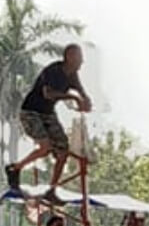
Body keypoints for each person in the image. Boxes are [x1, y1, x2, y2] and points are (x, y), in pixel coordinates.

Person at [6, 44, 92, 206]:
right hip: (30, 111)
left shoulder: (73, 74)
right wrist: (73, 98)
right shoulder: (54, 71)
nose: (81, 62)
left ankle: (51, 190)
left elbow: (81, 91)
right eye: (79, 58)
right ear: (70, 57)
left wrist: (86, 101)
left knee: (63, 150)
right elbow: (48, 93)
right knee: (45, 147)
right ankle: (16, 168)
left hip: (47, 114)